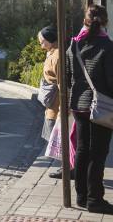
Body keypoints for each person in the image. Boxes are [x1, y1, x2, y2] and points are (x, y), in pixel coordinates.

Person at [66, 4, 113, 215]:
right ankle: (95, 199)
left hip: (80, 107)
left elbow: (67, 77)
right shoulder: (108, 47)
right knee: (97, 154)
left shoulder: (73, 45)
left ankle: (81, 196)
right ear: (105, 22)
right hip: (101, 107)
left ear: (85, 20)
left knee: (82, 151)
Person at [38, 26, 74, 179]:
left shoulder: (58, 55)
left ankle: (68, 169)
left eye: (42, 41)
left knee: (60, 138)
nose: (40, 45)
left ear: (50, 40)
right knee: (56, 137)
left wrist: (64, 109)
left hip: (57, 106)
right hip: (52, 105)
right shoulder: (52, 53)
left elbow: (62, 84)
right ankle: (66, 167)